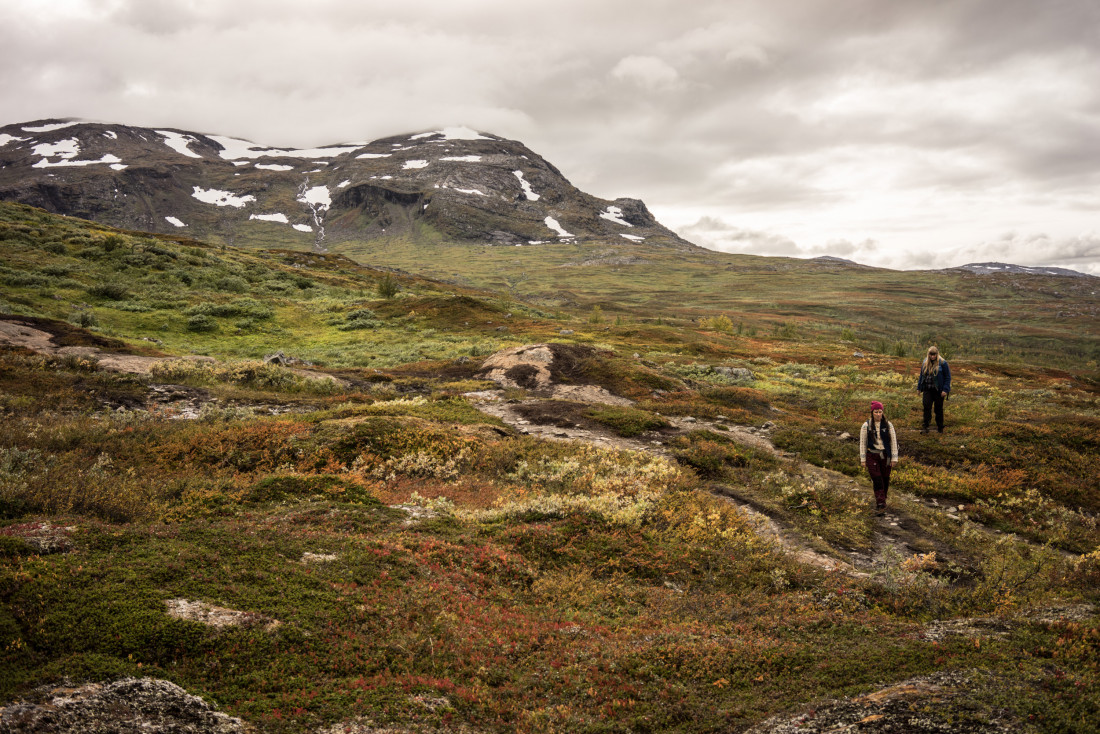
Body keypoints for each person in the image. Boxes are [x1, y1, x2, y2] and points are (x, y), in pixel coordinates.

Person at [859, 400, 898, 513]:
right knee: (877, 479)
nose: (878, 414)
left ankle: (883, 498)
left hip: (886, 456)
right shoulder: (866, 426)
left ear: (882, 412)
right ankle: (880, 503)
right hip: (872, 455)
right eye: (876, 412)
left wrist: (894, 458)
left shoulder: (888, 425)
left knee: (885, 478)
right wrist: (863, 459)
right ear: (872, 412)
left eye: (880, 412)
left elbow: (893, 442)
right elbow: (862, 443)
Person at [916, 346, 951, 433]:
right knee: (926, 406)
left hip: (938, 390)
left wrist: (945, 390)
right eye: (931, 354)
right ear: (928, 354)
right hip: (927, 389)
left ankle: (940, 427)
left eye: (934, 354)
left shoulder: (943, 363)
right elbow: (921, 375)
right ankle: (925, 427)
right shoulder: (925, 362)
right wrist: (919, 388)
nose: (932, 356)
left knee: (938, 409)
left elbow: (947, 377)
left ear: (937, 354)